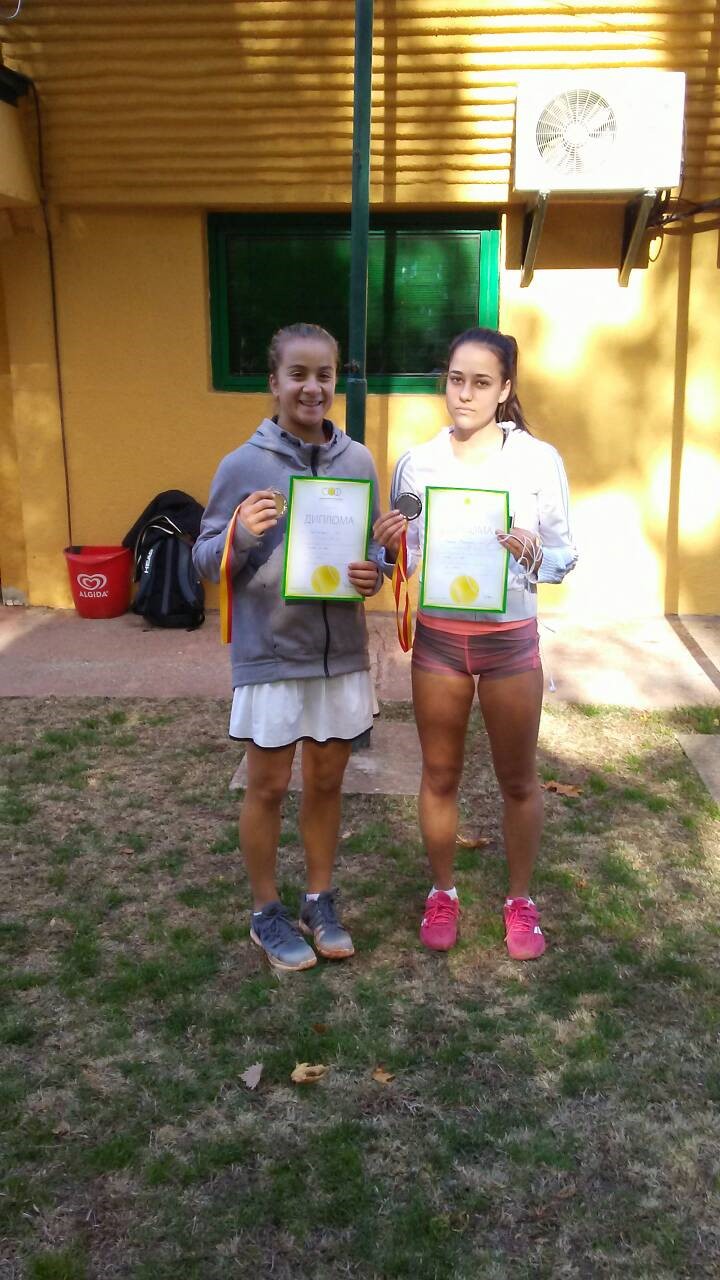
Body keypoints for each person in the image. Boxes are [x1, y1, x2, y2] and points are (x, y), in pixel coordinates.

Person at [373, 327, 577, 960]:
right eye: (456, 379)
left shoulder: (536, 461)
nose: (464, 393)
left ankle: (520, 900)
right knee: (439, 775)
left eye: (481, 382)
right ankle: (443, 891)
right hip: (440, 642)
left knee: (518, 779)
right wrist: (388, 547)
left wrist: (535, 553)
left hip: (509, 642)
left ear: (505, 389)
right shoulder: (418, 463)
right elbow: (401, 558)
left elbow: (564, 554)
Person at [193, 323, 382, 973]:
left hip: (339, 655)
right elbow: (204, 559)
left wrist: (374, 572)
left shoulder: (358, 462)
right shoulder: (241, 465)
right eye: (297, 374)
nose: (312, 387)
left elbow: (373, 552)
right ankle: (266, 911)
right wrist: (240, 533)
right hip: (271, 654)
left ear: (336, 381)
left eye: (324, 374)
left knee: (326, 783)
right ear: (274, 382)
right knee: (269, 786)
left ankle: (319, 902)